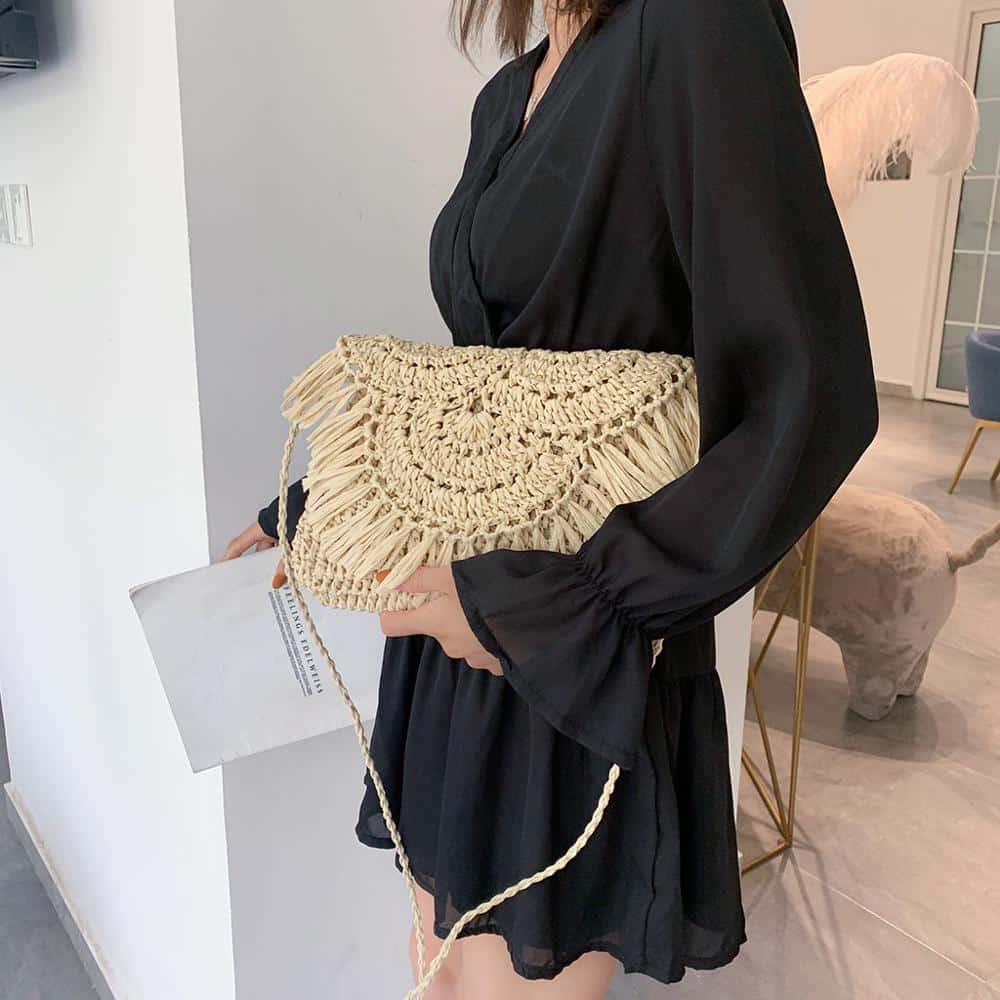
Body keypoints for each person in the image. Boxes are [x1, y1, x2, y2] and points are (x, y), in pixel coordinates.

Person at [224, 0, 878, 995]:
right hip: (454, 630)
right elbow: (492, 380)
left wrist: (574, 606)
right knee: (437, 971)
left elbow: (807, 392)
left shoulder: (697, 25)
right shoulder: (507, 95)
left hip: (565, 647)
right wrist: (320, 502)